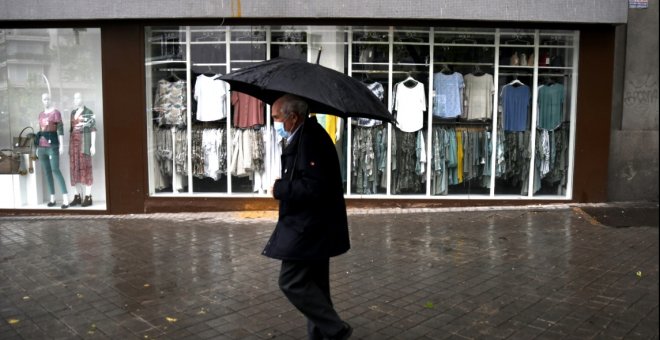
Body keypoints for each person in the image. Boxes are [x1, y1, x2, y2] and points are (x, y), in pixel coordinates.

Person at [263, 94, 353, 340]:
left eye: (276, 118)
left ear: (293, 117)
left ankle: (335, 329)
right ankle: (321, 334)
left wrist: (280, 189)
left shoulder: (310, 140)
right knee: (316, 284)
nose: (274, 123)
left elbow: (315, 188)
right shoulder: (304, 136)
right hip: (314, 226)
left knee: (290, 281)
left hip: (309, 227)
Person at [36, 93, 69, 208]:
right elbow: (40, 130)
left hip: (52, 146)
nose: (46, 101)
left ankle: (65, 199)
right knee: (47, 172)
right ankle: (52, 198)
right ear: (42, 100)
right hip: (41, 147)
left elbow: (60, 129)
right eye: (44, 99)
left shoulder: (56, 113)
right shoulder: (40, 115)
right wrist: (37, 147)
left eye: (48, 99)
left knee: (55, 170)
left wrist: (60, 145)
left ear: (51, 100)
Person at [68, 92, 96, 207]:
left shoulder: (89, 112)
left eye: (78, 97)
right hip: (73, 145)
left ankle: (88, 196)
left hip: (84, 144)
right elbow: (71, 130)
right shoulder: (73, 113)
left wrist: (93, 145)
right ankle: (78, 196)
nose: (76, 100)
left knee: (86, 169)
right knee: (74, 170)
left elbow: (93, 129)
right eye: (74, 98)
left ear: (83, 99)